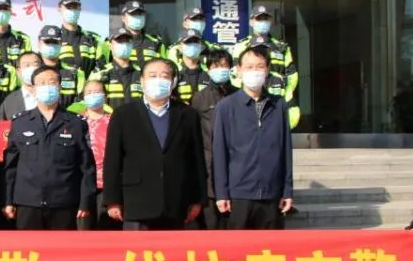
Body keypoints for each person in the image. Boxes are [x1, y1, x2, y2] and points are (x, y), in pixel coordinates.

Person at [103, 58, 206, 230]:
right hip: (136, 202)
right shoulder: (123, 114)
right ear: (142, 81)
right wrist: (112, 200)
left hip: (176, 202)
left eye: (164, 76)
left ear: (173, 82)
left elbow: (197, 160)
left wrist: (198, 199)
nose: (158, 80)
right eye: (152, 76)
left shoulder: (188, 114)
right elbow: (113, 160)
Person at [3, 65, 96, 230]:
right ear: (33, 89)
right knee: (28, 247)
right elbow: (11, 166)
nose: (47, 87)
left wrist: (85, 202)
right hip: (28, 203)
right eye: (41, 83)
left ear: (59, 87)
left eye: (52, 82)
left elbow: (87, 167)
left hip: (64, 202)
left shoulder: (76, 123)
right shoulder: (20, 122)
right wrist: (8, 200)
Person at [213, 46, 294, 230]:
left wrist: (287, 190)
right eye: (249, 67)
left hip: (272, 193)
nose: (254, 71)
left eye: (259, 66)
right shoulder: (226, 106)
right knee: (239, 246)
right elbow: (220, 153)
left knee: (271, 246)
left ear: (267, 70)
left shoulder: (279, 105)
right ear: (239, 70)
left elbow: (285, 151)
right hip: (239, 194)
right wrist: (222, 193)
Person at [191, 49, 237, 230]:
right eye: (216, 66)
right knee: (211, 225)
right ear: (208, 69)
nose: (220, 70)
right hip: (209, 168)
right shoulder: (200, 98)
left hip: (235, 167)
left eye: (224, 66)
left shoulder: (239, 96)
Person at [232, 5, 298, 128]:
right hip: (250, 101)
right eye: (259, 19)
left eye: (265, 18)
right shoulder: (241, 46)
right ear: (251, 22)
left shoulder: (281, 47)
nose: (263, 22)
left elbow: (292, 76)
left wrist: (286, 95)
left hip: (276, 100)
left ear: (271, 21)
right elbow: (235, 75)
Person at [68, 80, 116, 230]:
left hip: (106, 183)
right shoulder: (75, 122)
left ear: (105, 96)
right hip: (81, 183)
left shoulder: (114, 121)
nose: (93, 95)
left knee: (106, 228)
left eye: (97, 92)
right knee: (84, 228)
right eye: (89, 92)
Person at [88, 27, 142, 111]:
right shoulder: (100, 73)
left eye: (127, 41)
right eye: (119, 41)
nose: (124, 44)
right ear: (110, 45)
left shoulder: (141, 73)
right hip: (110, 118)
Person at [106, 0, 166, 71]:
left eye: (140, 14)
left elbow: (165, 65)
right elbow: (106, 66)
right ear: (123, 18)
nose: (137, 16)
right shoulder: (113, 40)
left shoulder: (156, 41)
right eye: (133, 14)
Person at [56, 0, 101, 77]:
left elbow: (101, 67)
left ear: (80, 8)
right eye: (68, 7)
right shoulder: (54, 38)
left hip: (89, 85)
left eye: (75, 6)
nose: (72, 10)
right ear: (59, 9)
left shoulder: (92, 39)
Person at [39, 25, 85, 109]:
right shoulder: (31, 72)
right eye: (47, 42)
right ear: (39, 43)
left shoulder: (76, 74)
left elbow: (81, 103)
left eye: (55, 42)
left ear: (61, 44)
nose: (51, 45)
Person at [0, 0, 31, 67]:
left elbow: (28, 65)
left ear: (11, 11)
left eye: (5, 8)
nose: (2, 11)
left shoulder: (23, 39)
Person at [0, 51, 42, 119]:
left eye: (35, 65)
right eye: (27, 65)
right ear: (18, 72)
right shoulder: (9, 102)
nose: (32, 69)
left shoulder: (53, 97)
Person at [174, 29, 211, 104]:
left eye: (196, 42)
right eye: (188, 42)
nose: (192, 45)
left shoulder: (209, 70)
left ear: (202, 46)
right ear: (180, 47)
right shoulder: (174, 71)